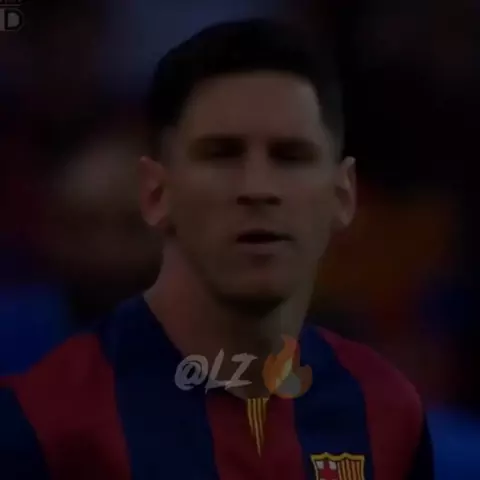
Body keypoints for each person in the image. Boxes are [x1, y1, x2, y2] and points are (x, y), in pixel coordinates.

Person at [0, 19, 433, 479]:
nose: (257, 188)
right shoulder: (41, 421)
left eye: (290, 156)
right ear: (156, 193)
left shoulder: (388, 412)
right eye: (221, 154)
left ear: (342, 196)